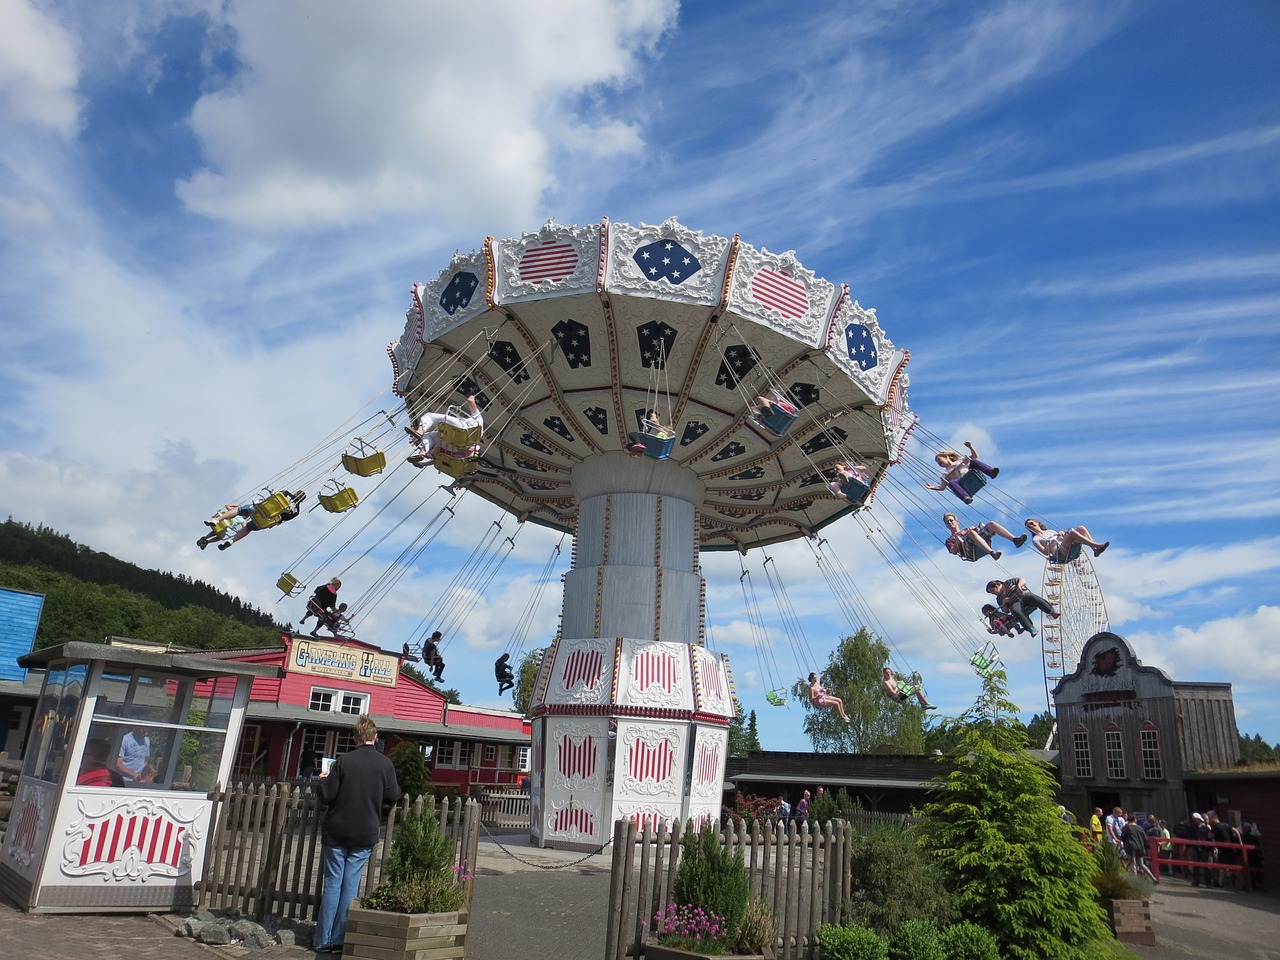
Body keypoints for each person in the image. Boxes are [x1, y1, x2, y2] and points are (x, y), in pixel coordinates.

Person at [313, 715, 401, 954]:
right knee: (351, 886)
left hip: (338, 829)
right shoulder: (385, 765)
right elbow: (393, 795)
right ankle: (341, 940)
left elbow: (328, 795)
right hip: (364, 831)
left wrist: (320, 782)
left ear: (355, 738)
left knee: (332, 884)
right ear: (375, 736)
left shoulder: (343, 762)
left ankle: (323, 940)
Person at [407, 395, 483, 467]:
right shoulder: (477, 435)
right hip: (456, 446)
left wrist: (472, 396)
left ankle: (420, 433)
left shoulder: (478, 418)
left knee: (429, 416)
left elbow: (470, 401)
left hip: (461, 429)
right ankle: (422, 454)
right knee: (431, 436)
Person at [922, 440, 999, 503]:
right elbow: (942, 487)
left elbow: (974, 456)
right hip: (963, 485)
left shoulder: (960, 461)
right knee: (951, 483)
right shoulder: (945, 474)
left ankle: (991, 472)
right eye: (937, 463)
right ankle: (965, 497)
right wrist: (932, 487)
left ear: (946, 457)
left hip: (972, 476)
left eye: (939, 460)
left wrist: (970, 447)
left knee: (973, 461)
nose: (939, 463)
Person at [985, 577, 1059, 637]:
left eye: (993, 591)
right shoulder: (999, 598)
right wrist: (1004, 602)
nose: (993, 593)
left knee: (1033, 598)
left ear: (997, 585)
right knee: (1016, 610)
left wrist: (1019, 586)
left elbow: (1022, 579)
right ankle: (1031, 628)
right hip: (1015, 603)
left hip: (1023, 595)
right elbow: (1006, 611)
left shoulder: (1009, 582)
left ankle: (1052, 611)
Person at [942, 512, 1026, 562]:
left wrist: (974, 529)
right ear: (946, 526)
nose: (949, 522)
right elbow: (953, 551)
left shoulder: (968, 529)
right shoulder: (949, 539)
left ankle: (1015, 540)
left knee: (991, 524)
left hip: (977, 540)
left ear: (957, 522)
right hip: (969, 551)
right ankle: (992, 553)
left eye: (951, 520)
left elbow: (976, 532)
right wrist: (958, 539)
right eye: (947, 522)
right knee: (972, 534)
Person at [1024, 518, 1110, 562]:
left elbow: (1063, 538)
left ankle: (1095, 550)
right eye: (1028, 526)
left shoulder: (1050, 531)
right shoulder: (1036, 539)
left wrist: (1062, 534)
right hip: (1059, 552)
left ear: (1037, 523)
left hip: (1065, 545)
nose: (1031, 526)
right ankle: (1098, 546)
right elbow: (1046, 553)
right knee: (1072, 533)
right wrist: (1049, 543)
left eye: (1032, 523)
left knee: (1081, 528)